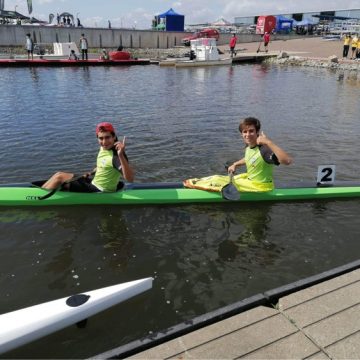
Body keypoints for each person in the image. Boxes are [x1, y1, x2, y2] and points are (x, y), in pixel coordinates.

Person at [184, 117, 292, 193]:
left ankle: (192, 186)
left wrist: (268, 142)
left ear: (257, 132)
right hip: (251, 180)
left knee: (217, 181)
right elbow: (249, 158)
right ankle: (194, 183)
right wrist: (235, 164)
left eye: (251, 131)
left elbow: (287, 161)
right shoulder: (250, 146)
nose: (247, 135)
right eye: (245, 132)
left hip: (261, 187)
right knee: (217, 177)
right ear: (241, 133)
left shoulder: (265, 150)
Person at [42, 122, 134, 192]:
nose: (104, 142)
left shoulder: (116, 157)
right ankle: (40, 192)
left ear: (114, 137)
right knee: (58, 174)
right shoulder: (104, 148)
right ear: (97, 138)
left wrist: (121, 155)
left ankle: (37, 197)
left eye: (107, 137)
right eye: (101, 138)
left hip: (100, 190)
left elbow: (130, 179)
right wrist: (92, 172)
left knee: (60, 178)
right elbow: (103, 166)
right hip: (94, 182)